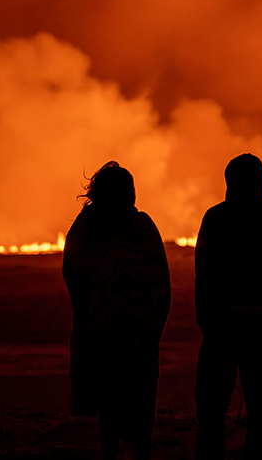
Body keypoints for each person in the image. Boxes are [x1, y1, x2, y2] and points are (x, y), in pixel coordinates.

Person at [62, 161, 171, 460]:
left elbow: (158, 285)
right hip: (122, 337)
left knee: (120, 407)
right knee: (122, 407)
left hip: (120, 336)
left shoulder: (87, 228)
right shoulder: (131, 227)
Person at [194, 153, 262, 460]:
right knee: (261, 409)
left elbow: (204, 271)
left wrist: (206, 319)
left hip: (221, 324)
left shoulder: (216, 218)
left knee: (211, 407)